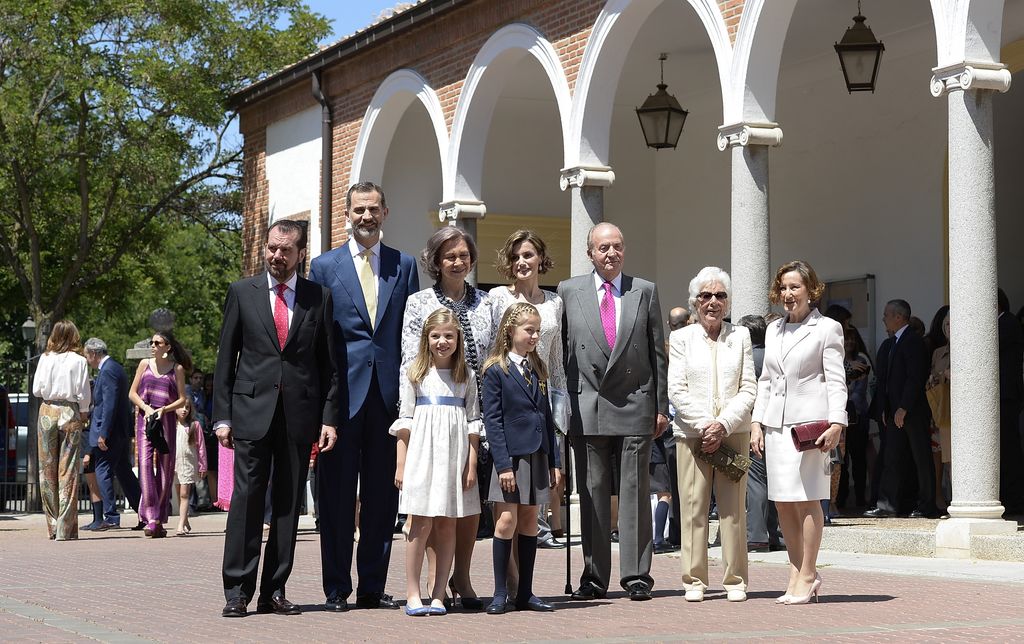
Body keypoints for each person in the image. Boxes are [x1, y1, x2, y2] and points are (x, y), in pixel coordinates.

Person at [214, 219, 340, 618]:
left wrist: (329, 418)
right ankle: (237, 591)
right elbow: (224, 362)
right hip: (250, 414)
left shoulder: (319, 297)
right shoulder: (241, 292)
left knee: (288, 506)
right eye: (271, 248)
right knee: (247, 502)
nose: (276, 256)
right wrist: (222, 417)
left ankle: (274, 590)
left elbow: (329, 366)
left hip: (299, 416)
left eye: (285, 250)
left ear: (301, 252)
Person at [309, 181, 419, 612]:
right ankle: (336, 587)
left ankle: (372, 585)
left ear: (385, 212)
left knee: (381, 498)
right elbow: (318, 343)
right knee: (336, 498)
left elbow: (412, 336)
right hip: (341, 400)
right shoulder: (323, 267)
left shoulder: (403, 265)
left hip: (389, 401)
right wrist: (323, 408)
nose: (366, 217)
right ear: (347, 214)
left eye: (374, 209)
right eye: (359, 210)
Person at [559, 223, 668, 602]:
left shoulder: (645, 291)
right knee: (592, 493)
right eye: (603, 247)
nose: (611, 254)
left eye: (617, 246)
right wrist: (561, 406)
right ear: (590, 253)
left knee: (636, 492)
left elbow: (658, 354)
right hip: (586, 405)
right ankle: (593, 576)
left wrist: (661, 406)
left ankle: (637, 574)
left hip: (635, 402)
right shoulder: (568, 291)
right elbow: (562, 352)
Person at [401, 226, 492, 608]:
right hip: (433, 416)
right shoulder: (419, 302)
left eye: (464, 255)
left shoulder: (487, 302)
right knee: (437, 502)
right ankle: (431, 588)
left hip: (479, 412)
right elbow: (410, 359)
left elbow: (496, 352)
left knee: (466, 503)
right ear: (436, 261)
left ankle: (462, 577)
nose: (458, 261)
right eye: (450, 256)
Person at [750, 260, 847, 605]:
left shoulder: (828, 328)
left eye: (796, 287)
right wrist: (756, 423)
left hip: (810, 427)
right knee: (782, 503)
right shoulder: (773, 329)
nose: (789, 294)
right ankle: (794, 570)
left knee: (807, 499)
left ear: (811, 290)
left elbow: (836, 379)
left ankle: (808, 572)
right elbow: (765, 380)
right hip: (775, 425)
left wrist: (838, 422)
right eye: (784, 288)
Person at [667, 267, 756, 603]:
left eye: (720, 295)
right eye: (706, 296)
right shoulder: (680, 339)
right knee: (693, 507)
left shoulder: (741, 336)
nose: (713, 302)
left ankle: (735, 580)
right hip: (692, 433)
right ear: (694, 302)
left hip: (733, 432)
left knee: (734, 510)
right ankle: (694, 580)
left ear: (728, 302)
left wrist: (724, 425)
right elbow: (676, 389)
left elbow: (749, 387)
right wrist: (707, 425)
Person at [390, 308, 481, 616]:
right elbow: (405, 423)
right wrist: (401, 464)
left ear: (458, 339)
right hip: (422, 455)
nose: (443, 341)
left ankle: (440, 593)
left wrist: (471, 465)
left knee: (447, 523)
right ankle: (413, 593)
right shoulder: (415, 373)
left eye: (449, 336)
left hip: (454, 456)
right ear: (426, 339)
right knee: (419, 522)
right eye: (436, 336)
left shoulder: (465, 376)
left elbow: (473, 423)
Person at [488, 229, 567, 555]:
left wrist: (562, 415)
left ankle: (525, 587)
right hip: (508, 402)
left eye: (528, 255)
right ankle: (506, 582)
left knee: (535, 507)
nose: (522, 262)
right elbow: (490, 352)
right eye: (516, 256)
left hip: (542, 402)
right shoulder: (497, 298)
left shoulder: (554, 303)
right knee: (508, 507)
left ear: (540, 260)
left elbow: (557, 360)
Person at [482, 303, 561, 615]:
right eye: (529, 329)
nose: (535, 335)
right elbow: (493, 421)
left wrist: (554, 460)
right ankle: (501, 592)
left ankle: (525, 592)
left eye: (537, 330)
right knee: (506, 520)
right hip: (510, 458)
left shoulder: (538, 368)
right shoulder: (495, 370)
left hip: (537, 454)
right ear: (510, 331)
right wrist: (502, 465)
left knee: (529, 520)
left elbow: (547, 414)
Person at [865, 299, 937, 519]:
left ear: (898, 317)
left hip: (911, 412)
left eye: (887, 314)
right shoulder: (893, 343)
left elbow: (915, 378)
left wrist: (903, 407)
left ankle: (926, 505)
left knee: (921, 458)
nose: (884, 318)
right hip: (894, 411)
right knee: (892, 457)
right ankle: (887, 504)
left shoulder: (912, 341)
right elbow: (887, 381)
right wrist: (886, 408)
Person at [32, 320, 91, 541]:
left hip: (47, 409)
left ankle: (53, 525)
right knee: (68, 471)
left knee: (46, 471)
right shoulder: (79, 361)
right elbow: (84, 391)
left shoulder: (45, 359)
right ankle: (66, 529)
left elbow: (37, 389)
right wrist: (83, 411)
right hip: (69, 410)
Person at [129, 330, 189, 538]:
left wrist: (164, 409)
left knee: (165, 469)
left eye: (157, 342)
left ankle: (159, 517)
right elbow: (132, 393)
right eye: (151, 342)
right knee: (145, 466)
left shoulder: (177, 369)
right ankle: (151, 517)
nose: (153, 346)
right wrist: (146, 408)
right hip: (145, 421)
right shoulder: (144, 364)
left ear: (168, 347)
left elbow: (182, 399)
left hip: (166, 421)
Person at [83, 337, 142, 531]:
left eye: (87, 355)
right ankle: (144, 512)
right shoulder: (113, 368)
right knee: (124, 472)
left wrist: (103, 433)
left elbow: (109, 404)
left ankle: (110, 516)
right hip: (119, 431)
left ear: (94, 353)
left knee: (102, 470)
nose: (87, 360)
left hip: (111, 432)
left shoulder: (108, 370)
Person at [736, 314, 783, 551]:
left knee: (755, 481)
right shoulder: (773, 356)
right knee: (774, 480)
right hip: (775, 424)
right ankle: (775, 535)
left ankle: (756, 534)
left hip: (753, 425)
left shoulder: (747, 359)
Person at [997, 288, 1024, 515]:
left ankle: (1014, 500)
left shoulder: (1008, 323)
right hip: (1000, 395)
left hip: (1007, 395)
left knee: (1009, 449)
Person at [926, 308, 952, 511]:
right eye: (947, 325)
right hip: (941, 409)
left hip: (961, 411)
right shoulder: (938, 352)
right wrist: (941, 375)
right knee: (938, 458)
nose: (950, 328)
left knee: (956, 458)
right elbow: (931, 379)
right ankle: (938, 497)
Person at [174, 399, 207, 536]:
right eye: (181, 407)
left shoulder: (194, 425)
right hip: (174, 465)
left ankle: (180, 525)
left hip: (188, 463)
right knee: (178, 494)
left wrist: (202, 465)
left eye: (187, 407)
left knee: (184, 494)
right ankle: (185, 519)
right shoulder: (172, 426)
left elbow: (201, 447)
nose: (184, 410)